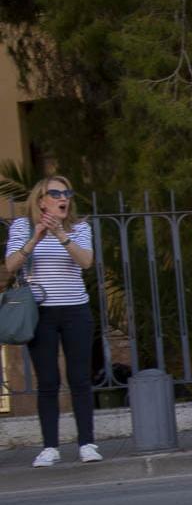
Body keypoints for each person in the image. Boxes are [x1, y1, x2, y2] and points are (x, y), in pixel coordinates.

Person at [4, 176, 101, 467]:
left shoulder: (80, 227)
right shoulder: (22, 226)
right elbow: (10, 266)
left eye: (67, 192)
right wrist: (36, 237)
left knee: (80, 379)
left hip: (75, 310)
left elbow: (85, 262)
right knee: (47, 381)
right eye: (56, 193)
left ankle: (87, 443)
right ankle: (50, 447)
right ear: (40, 199)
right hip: (41, 312)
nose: (64, 197)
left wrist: (61, 234)